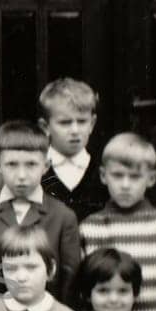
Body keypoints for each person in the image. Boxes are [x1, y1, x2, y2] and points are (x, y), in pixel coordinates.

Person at [0, 120, 81, 306]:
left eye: (31, 165)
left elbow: (70, 284)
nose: (21, 175)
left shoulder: (62, 216)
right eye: (12, 164)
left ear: (46, 166)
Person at [78, 132, 156, 311]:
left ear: (151, 179)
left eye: (135, 177)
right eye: (117, 176)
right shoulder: (90, 227)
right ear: (103, 175)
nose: (125, 185)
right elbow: (83, 291)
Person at [38, 78, 109, 221]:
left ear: (92, 123)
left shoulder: (104, 172)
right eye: (65, 123)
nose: (75, 130)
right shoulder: (36, 172)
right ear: (45, 127)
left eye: (82, 121)